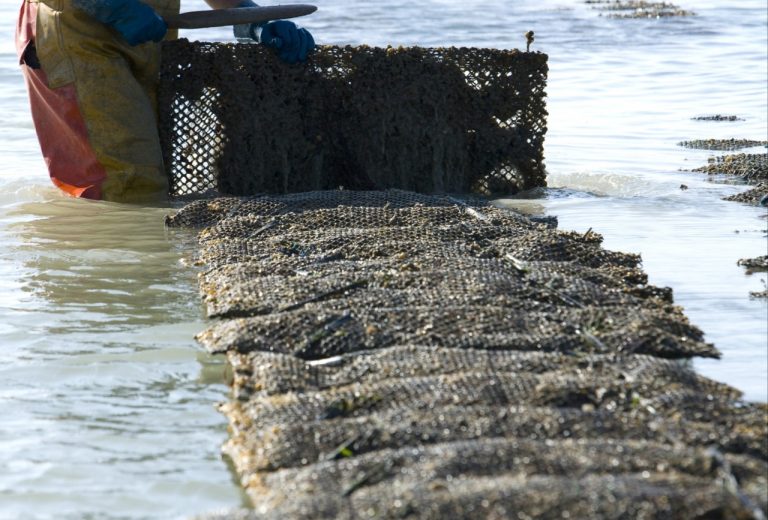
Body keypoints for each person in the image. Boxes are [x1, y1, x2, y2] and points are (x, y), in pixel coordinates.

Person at [16, 0, 315, 203]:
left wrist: (253, 20)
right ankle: (111, 278)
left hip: (148, 33)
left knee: (150, 174)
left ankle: (153, 275)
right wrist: (110, 6)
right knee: (128, 182)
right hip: (76, 33)